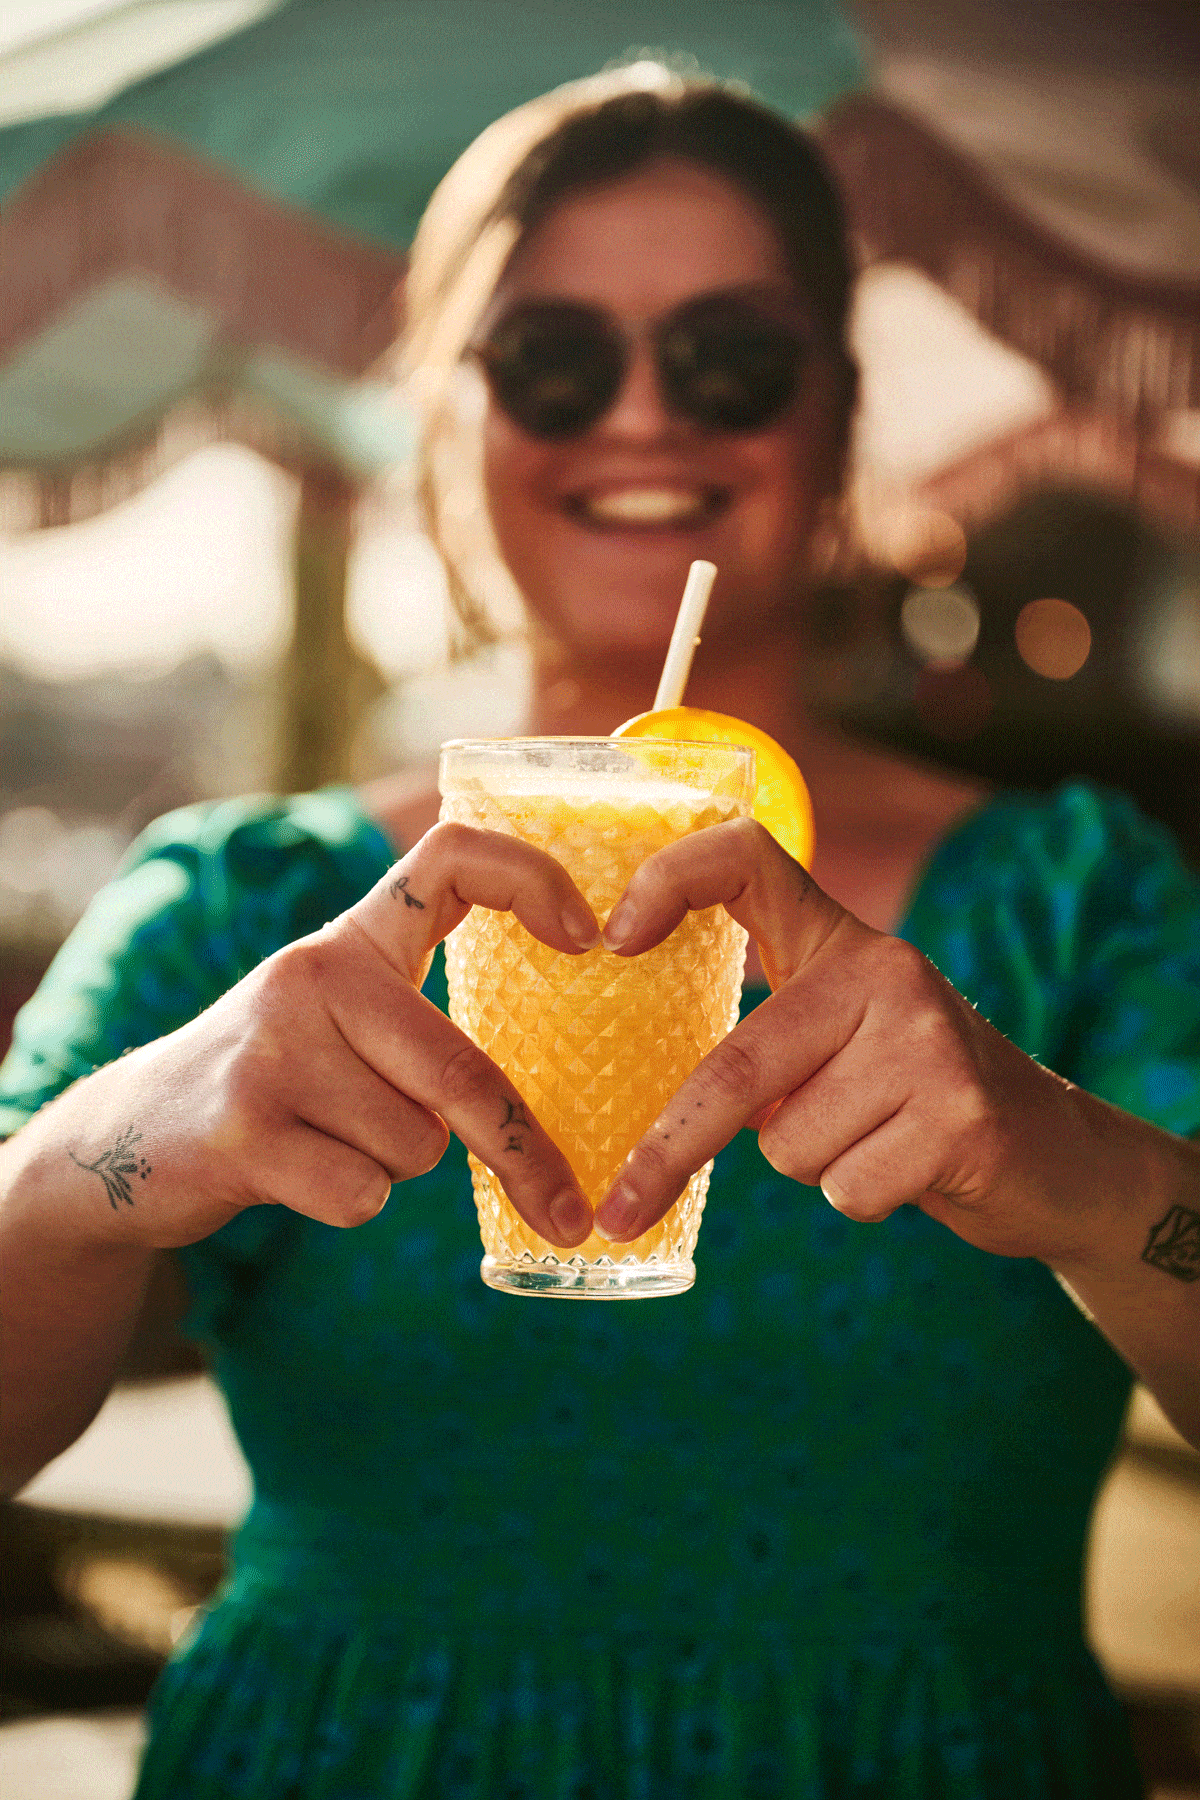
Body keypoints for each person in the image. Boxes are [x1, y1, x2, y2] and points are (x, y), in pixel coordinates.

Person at [3, 63, 1199, 1800]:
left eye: (732, 355)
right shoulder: (242, 906)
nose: (645, 415)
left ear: (835, 419)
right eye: (555, 359)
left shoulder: (1080, 892)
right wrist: (96, 1158)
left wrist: (1079, 1171)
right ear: (447, 422)